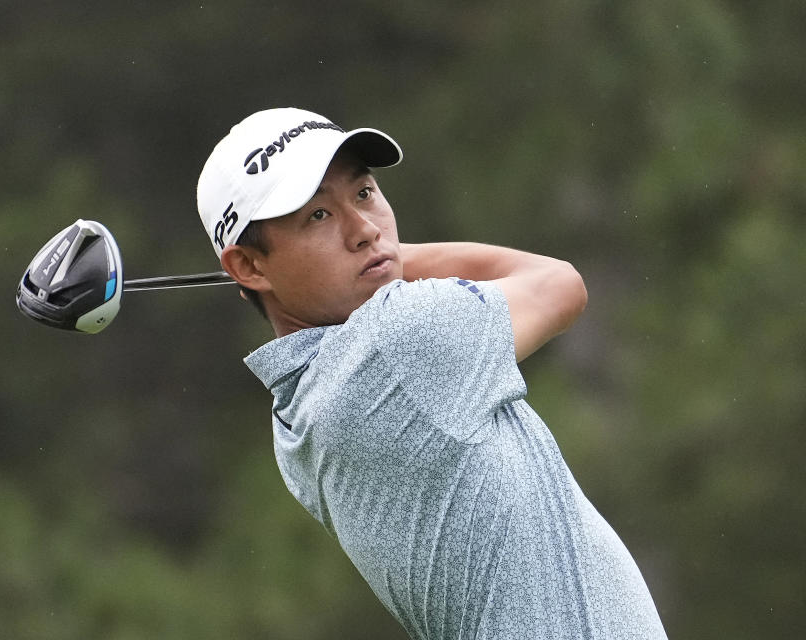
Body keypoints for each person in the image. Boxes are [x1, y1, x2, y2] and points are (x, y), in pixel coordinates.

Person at [196, 107, 667, 639]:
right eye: (318, 217)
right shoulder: (398, 342)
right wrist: (393, 256)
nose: (365, 228)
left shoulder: (296, 412)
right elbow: (558, 285)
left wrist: (375, 258)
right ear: (249, 268)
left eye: (364, 194)